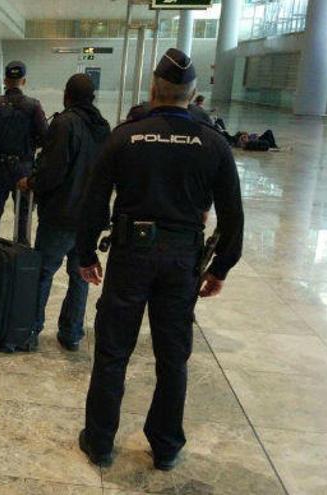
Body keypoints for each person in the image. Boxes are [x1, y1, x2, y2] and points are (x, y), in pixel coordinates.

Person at [75, 48, 244, 471]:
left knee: (113, 351)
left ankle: (98, 441)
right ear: (193, 92)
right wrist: (220, 266)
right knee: (173, 357)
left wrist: (84, 253)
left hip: (132, 254)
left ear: (154, 88)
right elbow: (233, 216)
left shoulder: (125, 135)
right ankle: (166, 446)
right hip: (181, 260)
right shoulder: (213, 143)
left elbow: (93, 201)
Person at [17, 74, 111, 351]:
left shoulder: (64, 123)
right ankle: (71, 334)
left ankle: (30, 330)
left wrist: (30, 182)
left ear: (67, 95)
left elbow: (52, 172)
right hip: (90, 218)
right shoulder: (103, 127)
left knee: (43, 272)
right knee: (80, 275)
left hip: (61, 214)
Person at [0, 60, 47, 245]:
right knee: (23, 215)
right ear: (23, 81)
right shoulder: (33, 106)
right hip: (23, 168)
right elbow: (45, 137)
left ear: (5, 81)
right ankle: (22, 253)